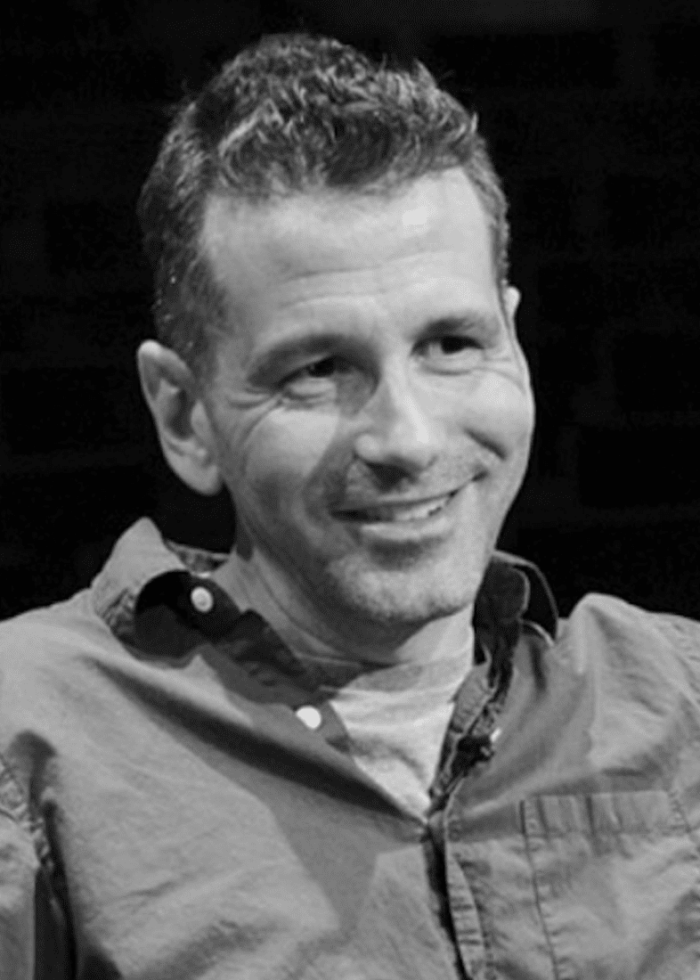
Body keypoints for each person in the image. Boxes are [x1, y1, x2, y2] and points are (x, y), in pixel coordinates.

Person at [1, 32, 699, 980]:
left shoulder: (680, 700)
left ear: (517, 345)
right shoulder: (29, 736)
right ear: (185, 415)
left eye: (453, 343)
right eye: (319, 369)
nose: (408, 438)